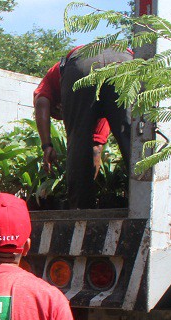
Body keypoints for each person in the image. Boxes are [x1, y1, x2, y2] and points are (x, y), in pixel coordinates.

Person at [34, 45, 133, 209]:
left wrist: (47, 145)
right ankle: (146, 203)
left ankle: (80, 213)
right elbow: (96, 149)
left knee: (78, 142)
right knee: (132, 139)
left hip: (81, 65)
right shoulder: (100, 110)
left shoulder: (51, 81)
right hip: (123, 62)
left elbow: (41, 103)